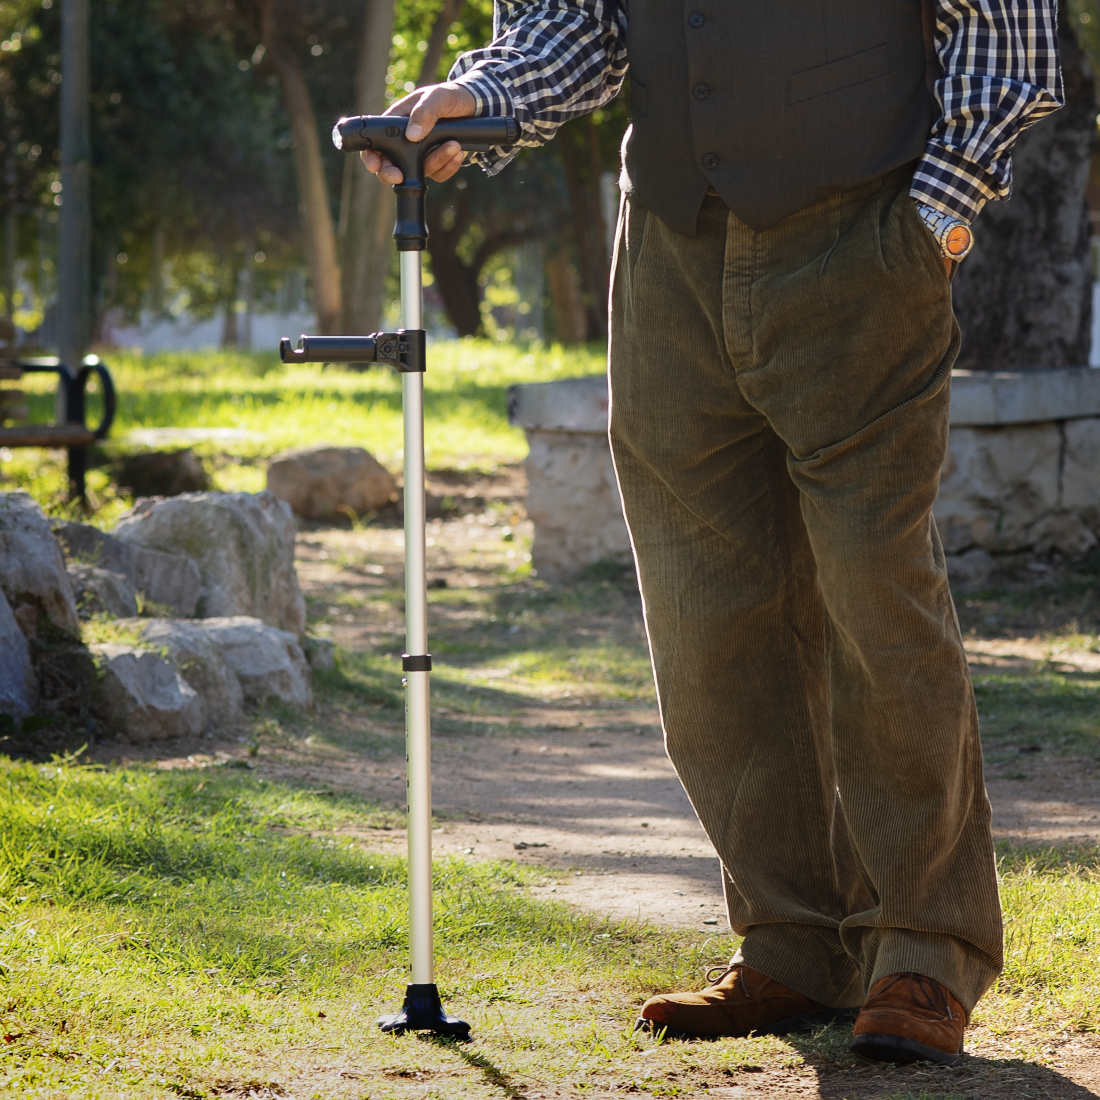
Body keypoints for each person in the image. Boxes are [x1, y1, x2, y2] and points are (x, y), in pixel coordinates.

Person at [361, 0, 1062, 1067]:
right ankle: (790, 939)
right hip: (670, 259)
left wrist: (936, 219)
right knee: (705, 614)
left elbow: (1005, 35)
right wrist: (479, 96)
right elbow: (577, 22)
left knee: (876, 593)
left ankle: (921, 948)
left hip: (863, 242)